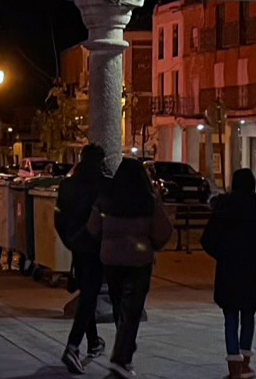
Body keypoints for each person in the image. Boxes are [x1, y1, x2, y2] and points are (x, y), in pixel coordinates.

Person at [87, 158, 172, 379]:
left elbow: (93, 228)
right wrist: (153, 245)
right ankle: (121, 358)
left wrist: (104, 242)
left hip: (111, 260)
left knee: (118, 304)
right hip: (139, 260)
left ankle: (123, 352)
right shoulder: (148, 200)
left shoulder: (105, 199)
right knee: (133, 310)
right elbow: (163, 231)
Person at [55, 144, 110, 374]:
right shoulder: (105, 184)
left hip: (77, 245)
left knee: (87, 291)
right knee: (89, 294)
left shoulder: (67, 185)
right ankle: (73, 345)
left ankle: (94, 341)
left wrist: (70, 241)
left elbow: (58, 219)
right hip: (97, 247)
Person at [202, 169, 256, 379]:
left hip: (228, 270)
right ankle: (245, 365)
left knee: (230, 317)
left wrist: (223, 254)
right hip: (252, 271)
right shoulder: (255, 211)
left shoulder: (222, 210)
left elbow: (207, 240)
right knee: (248, 316)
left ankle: (234, 367)